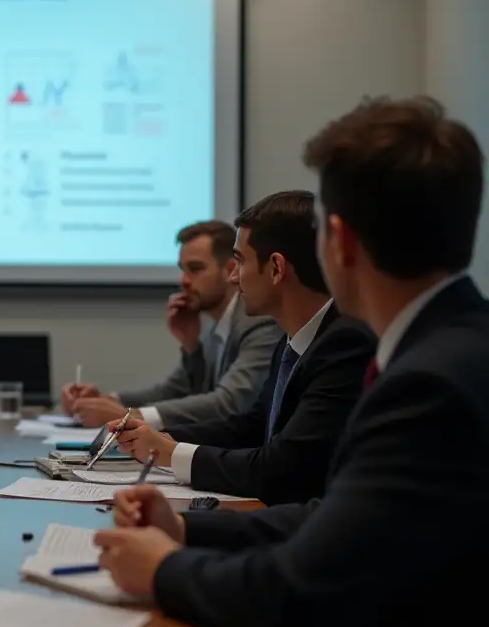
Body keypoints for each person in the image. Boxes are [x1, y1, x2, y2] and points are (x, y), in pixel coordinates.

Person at [53, 96, 489, 627]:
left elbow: (298, 595)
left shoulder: (429, 385)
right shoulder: (449, 348)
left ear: (339, 243)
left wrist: (161, 570)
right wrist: (187, 527)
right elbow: (333, 513)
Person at [113, 190, 374, 504]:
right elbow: (250, 426)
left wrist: (172, 453)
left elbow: (280, 470)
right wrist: (161, 437)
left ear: (276, 269)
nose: (233, 278)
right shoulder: (291, 342)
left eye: (239, 261)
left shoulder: (345, 345)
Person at [61, 220, 282, 429]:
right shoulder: (216, 323)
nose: (183, 280)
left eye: (195, 269)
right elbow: (177, 390)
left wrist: (130, 416)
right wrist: (105, 400)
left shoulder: (258, 323)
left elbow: (230, 402)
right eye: (182, 269)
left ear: (231, 269)